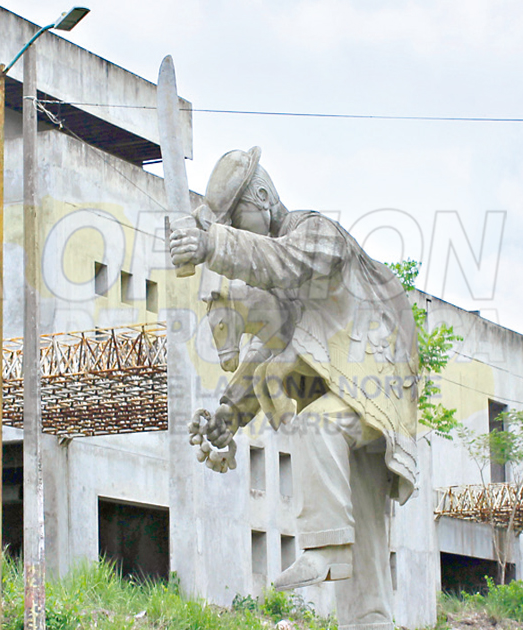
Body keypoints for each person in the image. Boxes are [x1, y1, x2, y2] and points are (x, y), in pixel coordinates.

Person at [169, 147, 419, 629]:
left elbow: (280, 263)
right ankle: (368, 617)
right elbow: (273, 344)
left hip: (377, 385)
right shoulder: (285, 286)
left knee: (316, 426)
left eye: (237, 219)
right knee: (363, 544)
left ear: (262, 198)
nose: (239, 233)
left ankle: (324, 548)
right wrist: (230, 413)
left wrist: (211, 245)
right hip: (347, 392)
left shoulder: (316, 237)